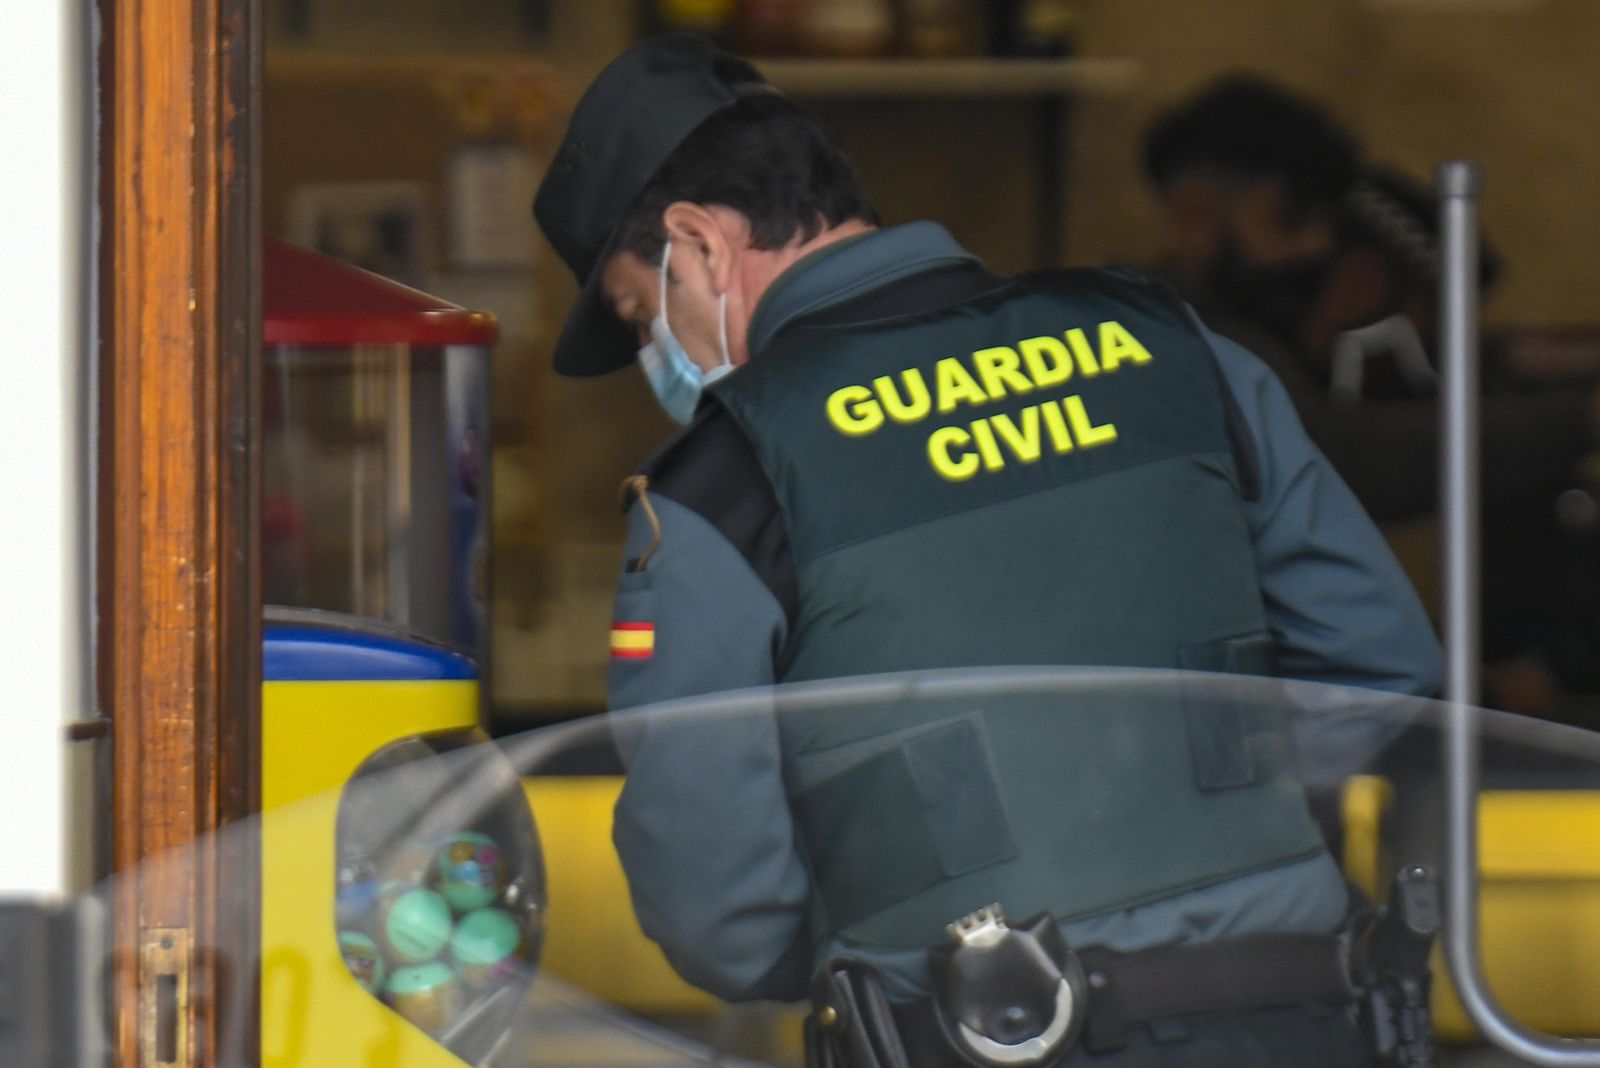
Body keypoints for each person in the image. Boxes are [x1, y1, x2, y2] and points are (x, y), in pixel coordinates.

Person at [533, 34, 1442, 1067]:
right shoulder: (1178, 352)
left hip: (988, 1035)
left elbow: (719, 910)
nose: (658, 353)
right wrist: (1205, 828)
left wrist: (883, 918)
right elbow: (1381, 663)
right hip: (1293, 1012)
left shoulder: (723, 487)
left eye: (637, 312)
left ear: (695, 246)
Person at [1142, 80, 1600, 715]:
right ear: (1197, 218)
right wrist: (1580, 417)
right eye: (1291, 220)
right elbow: (1346, 455)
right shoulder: (1176, 344)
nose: (1318, 249)